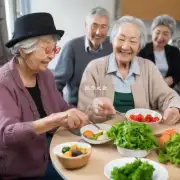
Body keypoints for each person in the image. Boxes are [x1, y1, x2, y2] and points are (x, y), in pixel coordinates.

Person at [0, 12, 89, 180]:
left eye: (55, 49)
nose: (52, 55)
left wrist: (89, 112)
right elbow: (8, 133)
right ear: (23, 50)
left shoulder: (45, 75)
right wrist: (54, 120)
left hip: (51, 153)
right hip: (22, 170)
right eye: (47, 50)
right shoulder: (3, 83)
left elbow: (62, 108)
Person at [78, 16, 180, 125]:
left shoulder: (148, 68)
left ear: (139, 47)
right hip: (103, 135)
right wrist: (95, 109)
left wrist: (173, 108)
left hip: (141, 135)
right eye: (121, 39)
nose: (126, 46)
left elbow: (169, 96)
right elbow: (84, 109)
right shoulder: (94, 68)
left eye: (133, 41)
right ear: (112, 40)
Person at [53, 6, 113, 106]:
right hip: (79, 109)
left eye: (103, 27)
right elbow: (56, 85)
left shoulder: (113, 46)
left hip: (108, 108)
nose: (98, 32)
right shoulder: (72, 47)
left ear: (108, 29)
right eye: (94, 26)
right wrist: (62, 109)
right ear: (86, 26)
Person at [138, 14, 180, 90]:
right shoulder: (142, 51)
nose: (160, 37)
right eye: (157, 32)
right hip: (146, 90)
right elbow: (138, 74)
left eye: (165, 34)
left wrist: (171, 79)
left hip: (168, 90)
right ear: (152, 32)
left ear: (171, 36)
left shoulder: (174, 51)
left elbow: (178, 73)